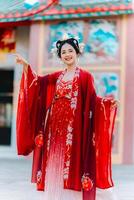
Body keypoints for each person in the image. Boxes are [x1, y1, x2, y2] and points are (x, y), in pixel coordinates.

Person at [15, 35, 118, 200]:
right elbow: (38, 83)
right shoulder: (57, 76)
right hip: (54, 128)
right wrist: (27, 67)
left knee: (71, 162)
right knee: (55, 159)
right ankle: (55, 195)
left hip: (74, 129)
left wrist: (106, 103)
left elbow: (92, 100)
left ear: (77, 53)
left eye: (70, 50)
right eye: (64, 52)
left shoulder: (85, 77)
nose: (67, 54)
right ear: (60, 55)